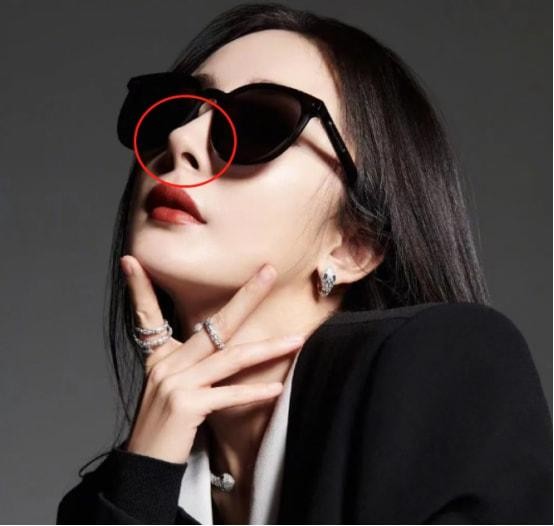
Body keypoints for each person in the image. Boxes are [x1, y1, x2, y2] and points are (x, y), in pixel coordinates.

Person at [56, 3, 552, 524]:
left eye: (257, 123)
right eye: (173, 111)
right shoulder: (108, 502)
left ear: (354, 244)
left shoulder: (446, 365)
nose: (180, 141)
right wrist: (144, 477)